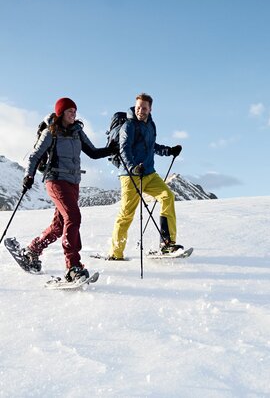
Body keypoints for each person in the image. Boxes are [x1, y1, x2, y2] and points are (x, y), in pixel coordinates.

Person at [21, 97, 117, 282]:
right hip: (55, 181)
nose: (73, 114)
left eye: (75, 110)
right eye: (69, 111)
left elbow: (93, 152)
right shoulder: (51, 132)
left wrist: (110, 149)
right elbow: (35, 156)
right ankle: (72, 266)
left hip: (73, 182)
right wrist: (29, 176)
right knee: (73, 217)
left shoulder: (77, 132)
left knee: (59, 227)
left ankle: (33, 250)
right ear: (60, 113)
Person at [109, 92, 182, 260]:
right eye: (138, 107)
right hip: (131, 175)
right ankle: (115, 253)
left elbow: (151, 146)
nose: (140, 110)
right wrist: (133, 167)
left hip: (149, 173)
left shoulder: (151, 125)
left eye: (144, 108)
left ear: (150, 109)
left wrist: (168, 150)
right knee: (127, 214)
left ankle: (167, 244)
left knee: (167, 197)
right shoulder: (128, 126)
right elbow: (124, 149)